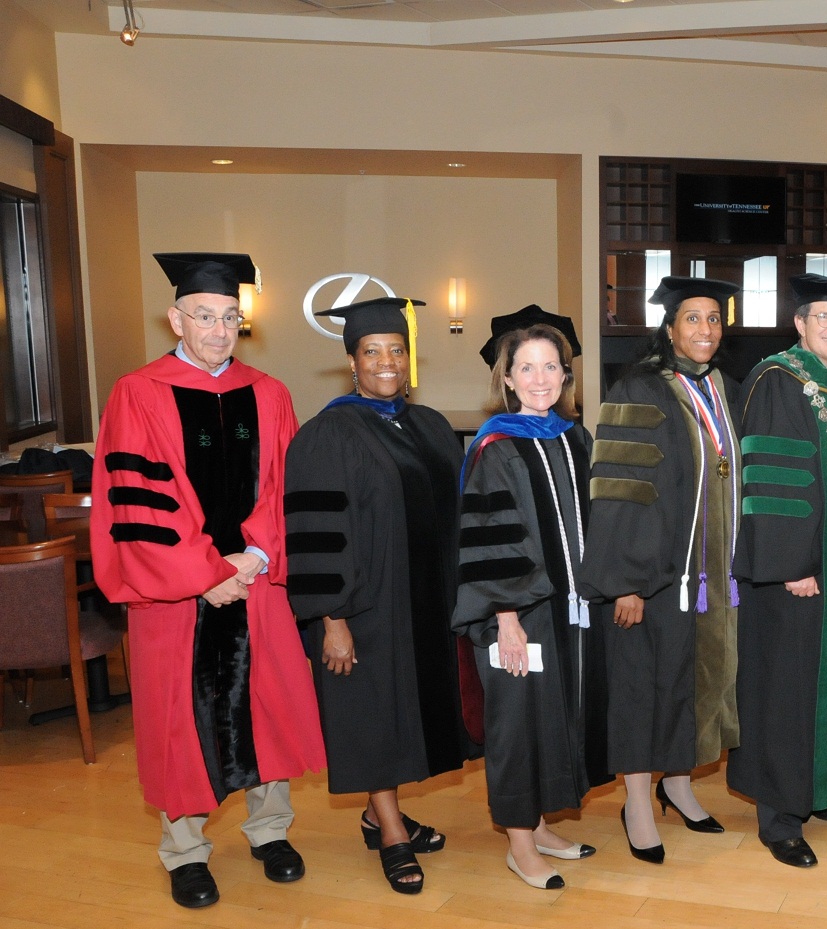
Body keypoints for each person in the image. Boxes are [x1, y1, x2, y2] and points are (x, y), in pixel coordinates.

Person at [90, 252, 324, 909]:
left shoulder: (269, 393)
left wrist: (255, 557)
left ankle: (270, 830)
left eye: (230, 318)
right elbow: (136, 504)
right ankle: (185, 850)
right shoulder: (138, 393)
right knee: (177, 718)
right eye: (205, 317)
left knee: (266, 704)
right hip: (178, 595)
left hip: (255, 583)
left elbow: (285, 488)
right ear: (176, 318)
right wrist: (201, 574)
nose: (220, 331)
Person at [285, 296, 469, 894]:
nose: (386, 362)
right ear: (351, 360)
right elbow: (314, 531)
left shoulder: (431, 426)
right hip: (363, 606)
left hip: (423, 602)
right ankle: (390, 831)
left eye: (397, 350)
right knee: (372, 714)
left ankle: (379, 812)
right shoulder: (326, 434)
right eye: (372, 351)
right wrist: (330, 616)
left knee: (406, 713)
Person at [578, 276, 743, 863]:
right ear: (670, 328)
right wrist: (625, 579)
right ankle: (638, 802)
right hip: (654, 577)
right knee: (644, 688)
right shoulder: (640, 389)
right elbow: (621, 487)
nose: (705, 329)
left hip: (710, 579)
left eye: (714, 319)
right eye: (692, 319)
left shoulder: (725, 386)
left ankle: (679, 784)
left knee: (694, 684)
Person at [727, 274, 827, 868]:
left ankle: (820, 787)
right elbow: (771, 475)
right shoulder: (777, 379)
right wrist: (793, 562)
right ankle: (780, 814)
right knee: (787, 687)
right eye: (824, 318)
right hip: (797, 571)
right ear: (799, 323)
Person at [454, 315, 610, 889]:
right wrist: (506, 621)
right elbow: (488, 540)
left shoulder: (574, 439)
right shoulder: (496, 448)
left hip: (568, 614)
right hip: (516, 616)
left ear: (566, 376)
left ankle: (539, 825)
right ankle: (520, 845)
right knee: (516, 724)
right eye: (527, 368)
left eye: (551, 366)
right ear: (508, 379)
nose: (540, 378)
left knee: (553, 717)